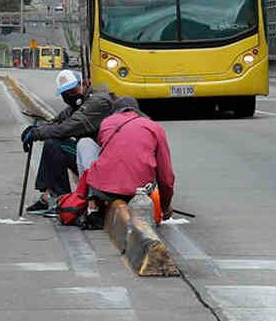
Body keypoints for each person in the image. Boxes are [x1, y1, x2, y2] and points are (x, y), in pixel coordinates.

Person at [20, 69, 114, 215]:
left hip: (102, 159)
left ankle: (59, 198)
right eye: (66, 93)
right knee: (53, 141)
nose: (70, 95)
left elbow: (67, 127)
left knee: (54, 145)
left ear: (84, 84)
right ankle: (48, 196)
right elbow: (56, 123)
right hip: (89, 158)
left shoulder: (98, 102)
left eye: (73, 90)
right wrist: (34, 129)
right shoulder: (74, 107)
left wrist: (38, 133)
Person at [78, 96, 175, 221]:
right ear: (137, 112)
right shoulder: (155, 127)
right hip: (141, 192)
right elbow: (166, 176)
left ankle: (91, 203)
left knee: (84, 143)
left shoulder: (107, 122)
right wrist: (165, 205)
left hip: (104, 191)